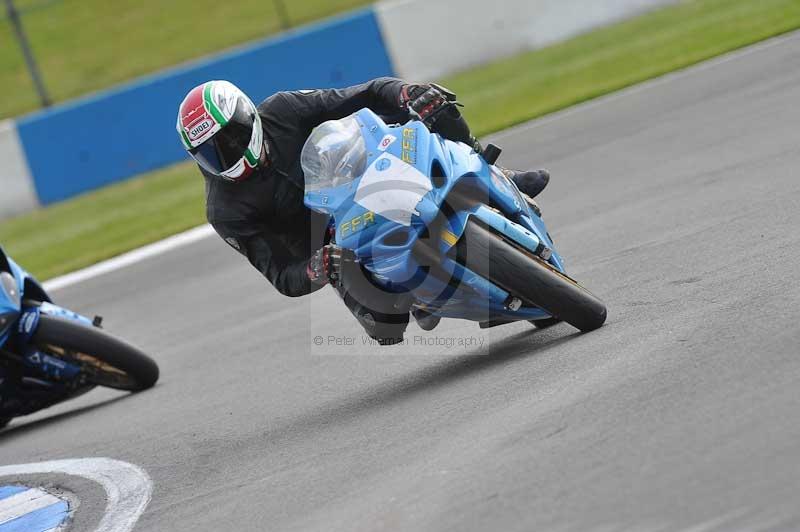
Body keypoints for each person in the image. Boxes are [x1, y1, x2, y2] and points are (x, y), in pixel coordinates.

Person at [176, 78, 550, 344]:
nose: (226, 155)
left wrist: (405, 93)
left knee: (434, 103)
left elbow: (366, 94)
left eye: (230, 139)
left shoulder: (283, 109)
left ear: (248, 117)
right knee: (385, 327)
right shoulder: (225, 210)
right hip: (335, 242)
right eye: (211, 152)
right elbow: (280, 275)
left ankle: (495, 173)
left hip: (366, 174)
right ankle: (421, 294)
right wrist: (316, 267)